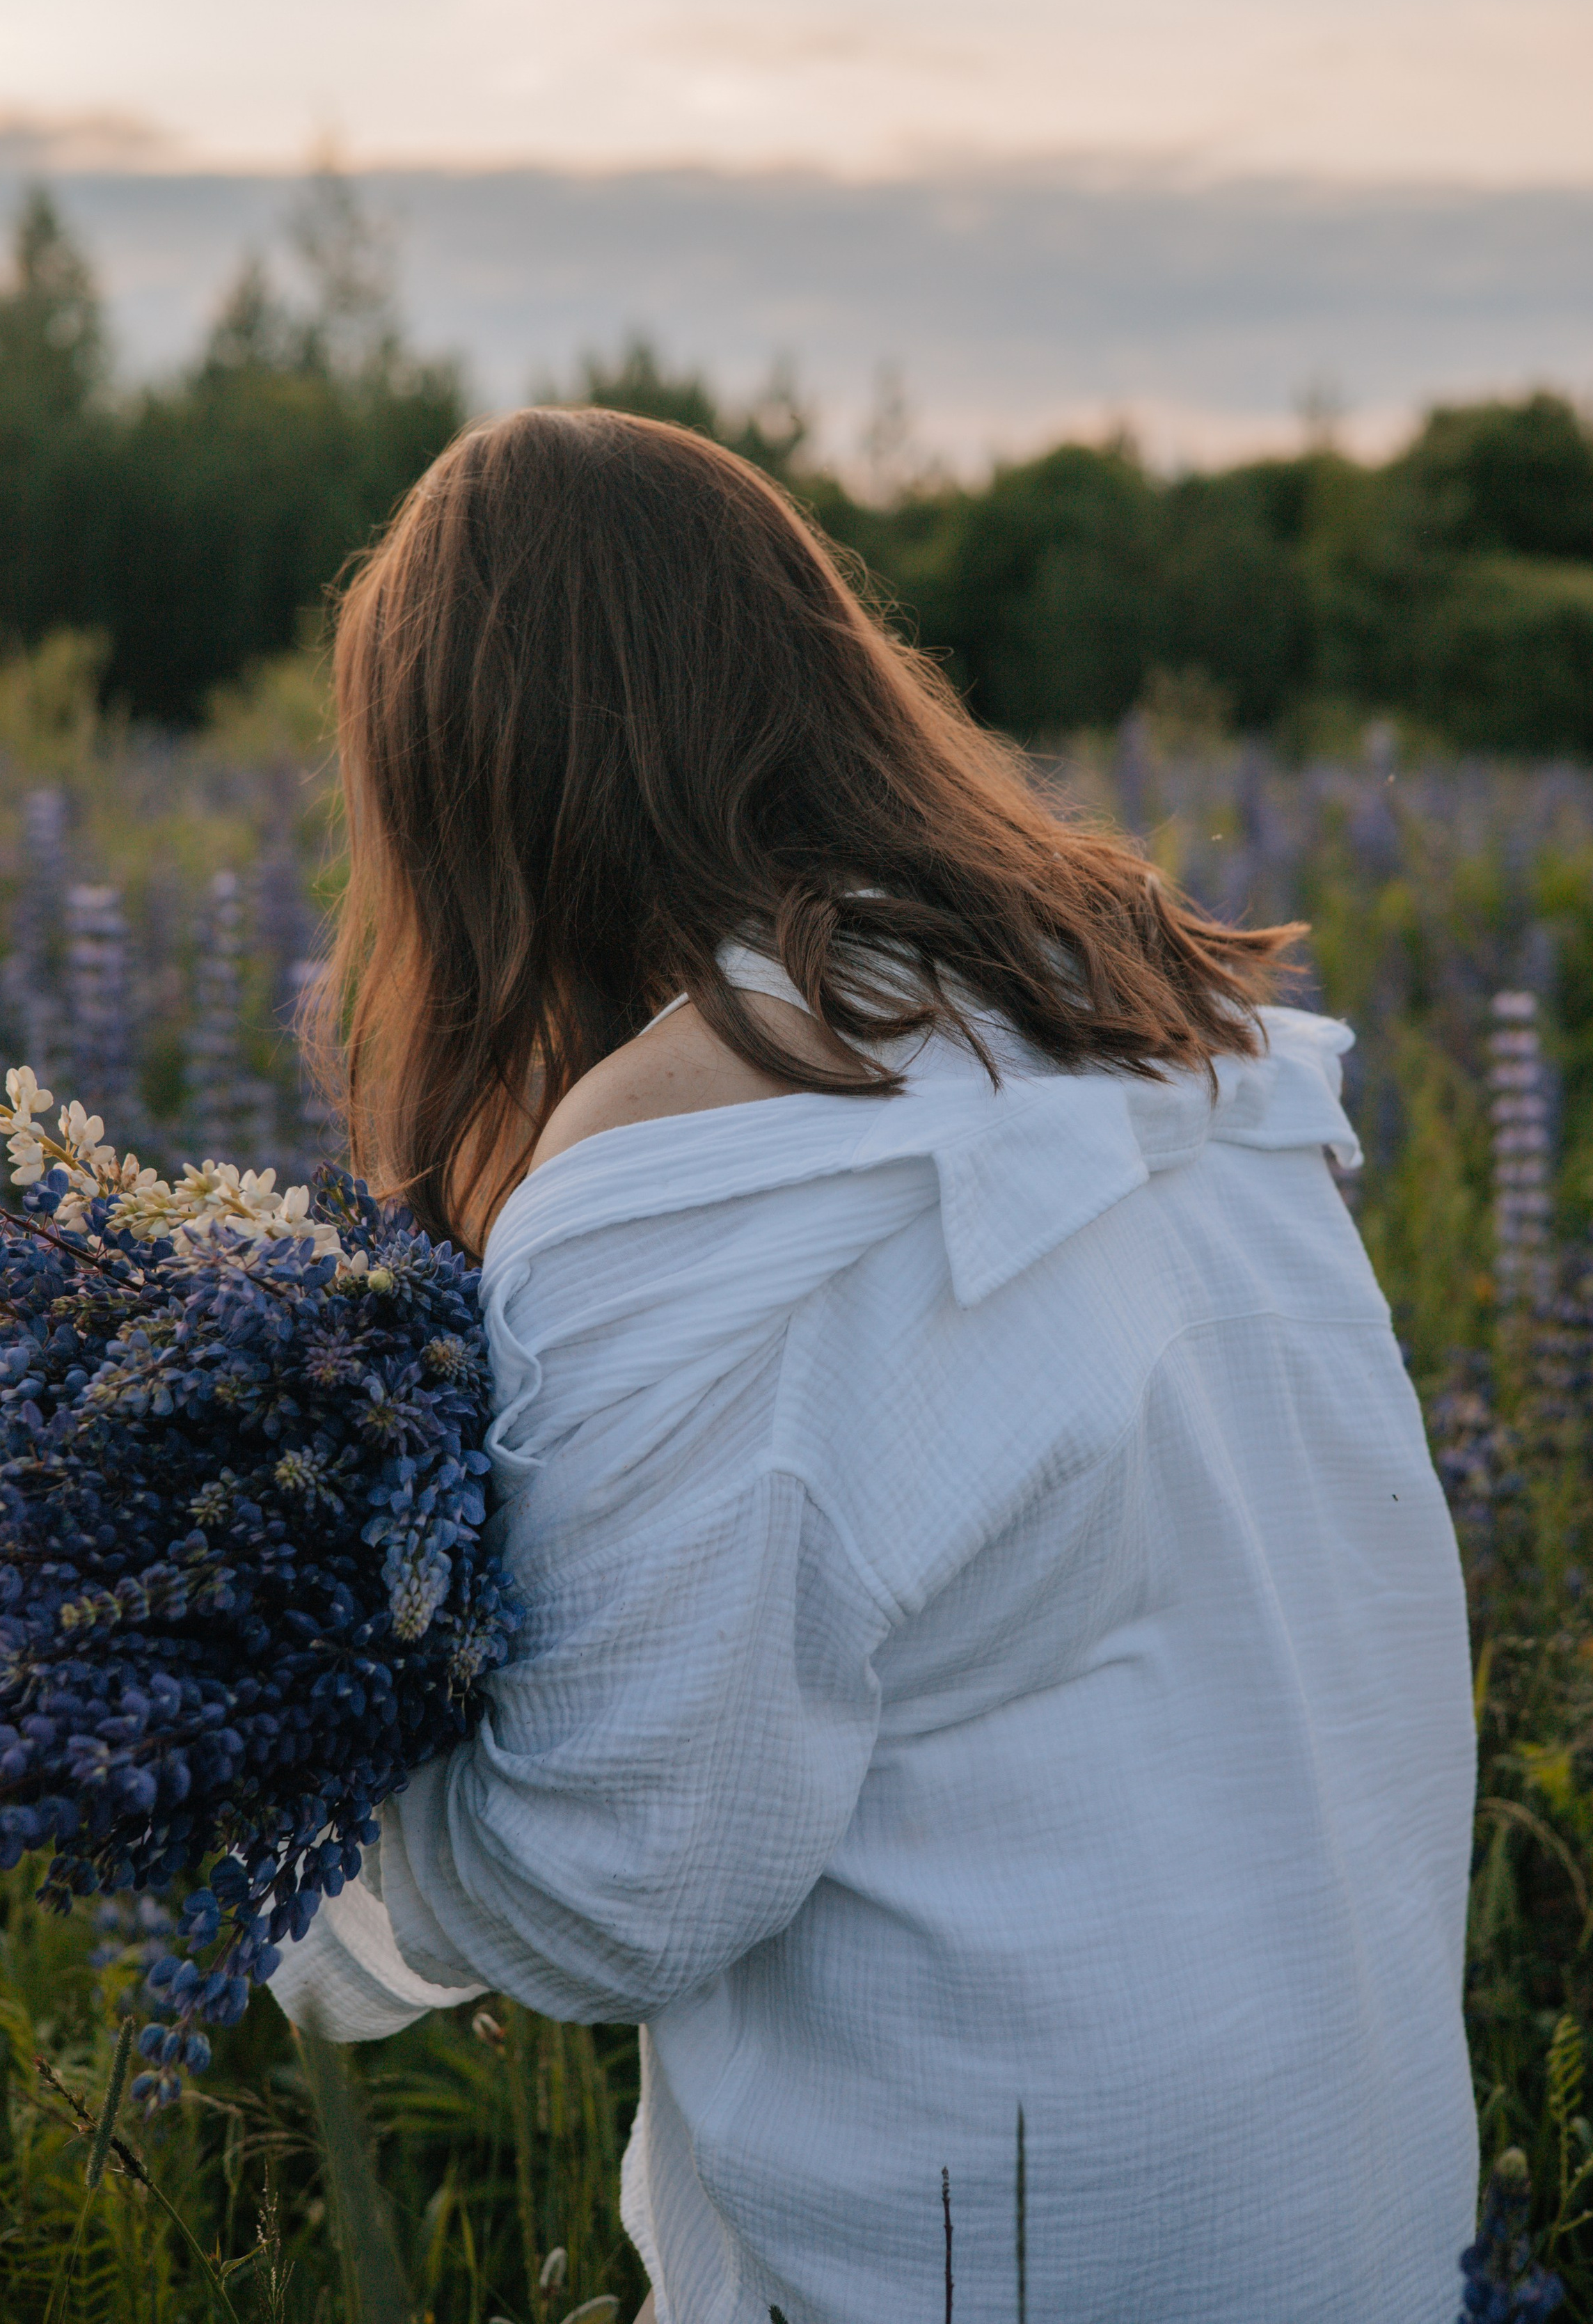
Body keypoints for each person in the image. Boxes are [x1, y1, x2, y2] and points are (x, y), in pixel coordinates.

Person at [274, 406, 1477, 2322]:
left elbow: (627, 1879)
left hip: (1010, 2243)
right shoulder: (1170, 1042)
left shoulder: (688, 1173)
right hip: (1353, 2194)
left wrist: (281, 1856)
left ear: (467, 792)